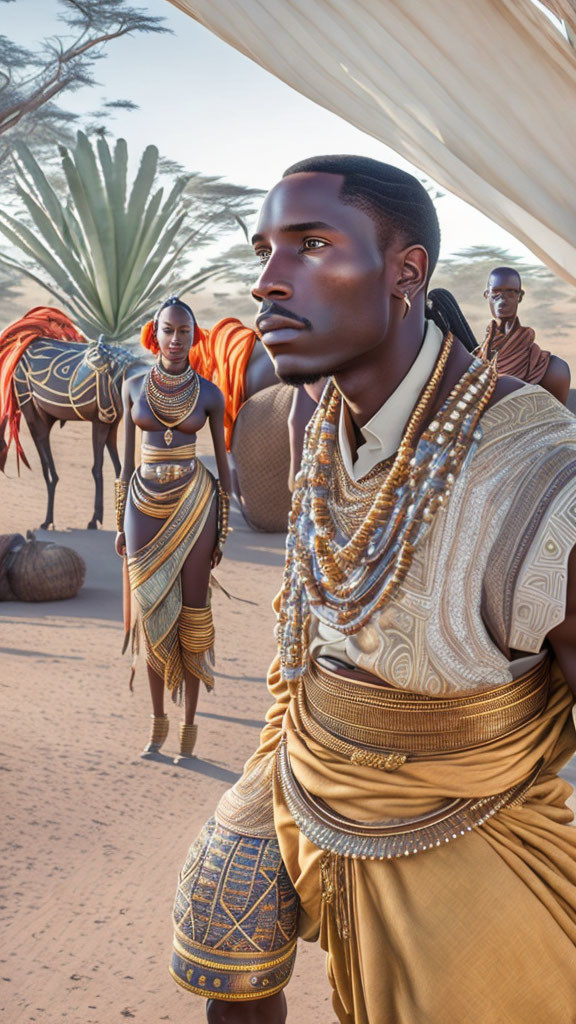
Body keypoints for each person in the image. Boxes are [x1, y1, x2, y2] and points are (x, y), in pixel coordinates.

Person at [170, 157, 576, 1023]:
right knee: (222, 918)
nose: (267, 281)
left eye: (310, 245)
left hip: (466, 806)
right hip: (307, 747)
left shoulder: (539, 472)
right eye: (265, 249)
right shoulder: (315, 422)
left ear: (407, 273)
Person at [115, 297, 231, 760]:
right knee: (151, 614)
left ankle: (189, 727)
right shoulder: (132, 386)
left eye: (185, 331)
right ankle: (157, 722)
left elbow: (223, 472)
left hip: (195, 505)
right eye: (168, 330)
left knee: (194, 617)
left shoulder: (209, 395)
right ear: (155, 333)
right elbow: (125, 465)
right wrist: (118, 524)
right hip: (142, 507)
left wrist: (220, 532)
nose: (176, 340)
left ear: (194, 335)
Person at [478, 266, 571, 402]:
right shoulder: (478, 356)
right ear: (487, 294)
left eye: (511, 292)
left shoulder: (549, 368)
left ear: (520, 296)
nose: (503, 299)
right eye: (496, 292)